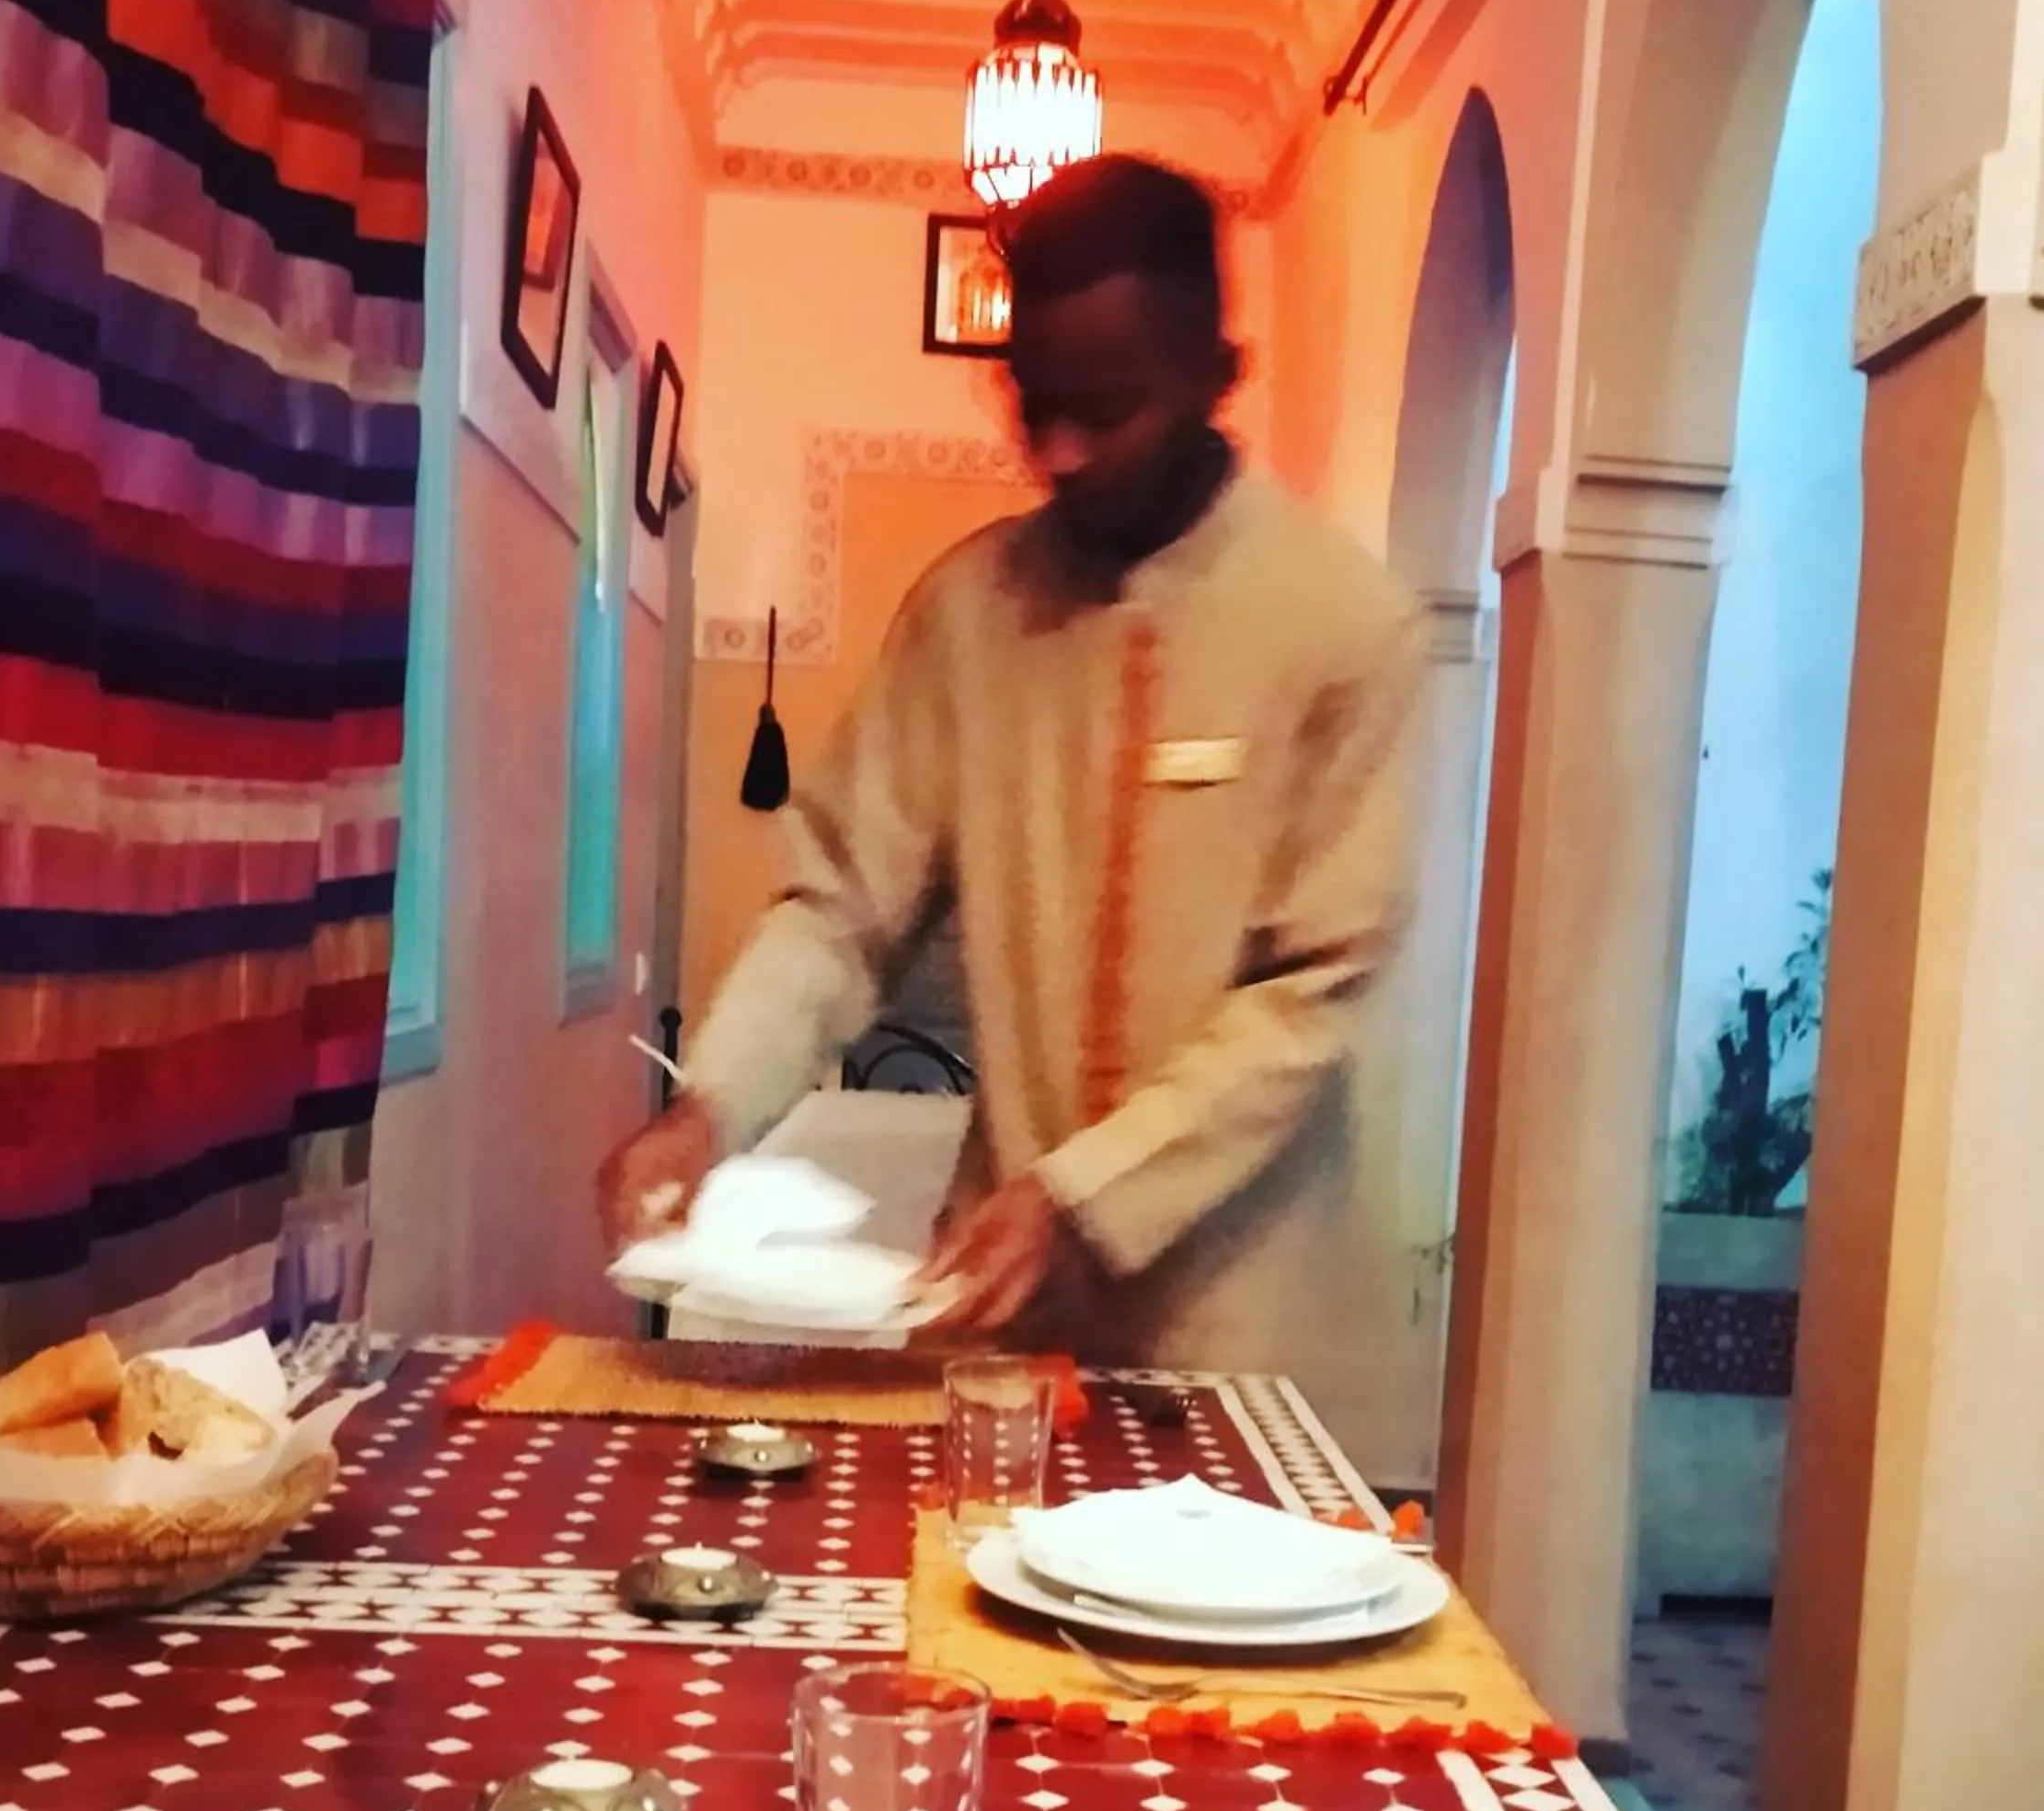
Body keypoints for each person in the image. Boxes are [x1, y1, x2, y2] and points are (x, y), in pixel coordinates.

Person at [596, 155, 1424, 1369]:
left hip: (1246, 1314)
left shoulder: (1344, 626)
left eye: (1107, 410)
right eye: (1036, 408)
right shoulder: (967, 616)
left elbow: (1315, 992)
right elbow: (841, 910)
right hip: (1000, 1302)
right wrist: (710, 1106)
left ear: (1217, 375)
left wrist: (1086, 1196)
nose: (1062, 452)